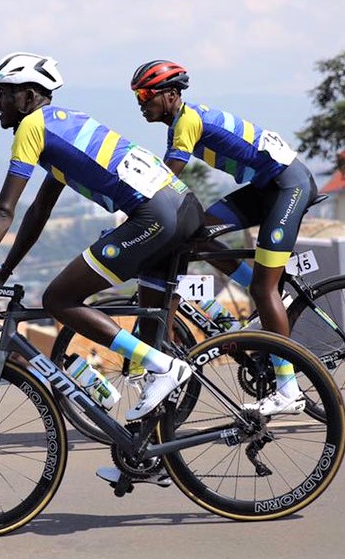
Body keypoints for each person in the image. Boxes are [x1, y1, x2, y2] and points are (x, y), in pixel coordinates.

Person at [0, 52, 204, 486]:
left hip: (155, 216)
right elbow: (38, 210)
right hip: (185, 208)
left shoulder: (31, 128)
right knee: (151, 334)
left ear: (26, 96)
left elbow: (4, 208)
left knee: (60, 299)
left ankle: (164, 367)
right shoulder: (63, 122)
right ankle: (145, 454)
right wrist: (1, 273)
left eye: (1, 93)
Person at [130, 60, 319, 416]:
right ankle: (261, 296)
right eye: (137, 96)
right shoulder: (179, 123)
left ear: (171, 95)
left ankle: (288, 389)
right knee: (196, 236)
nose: (141, 103)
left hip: (288, 186)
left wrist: (133, 218)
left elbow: (164, 183)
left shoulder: (185, 121)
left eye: (145, 94)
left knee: (264, 289)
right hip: (266, 187)